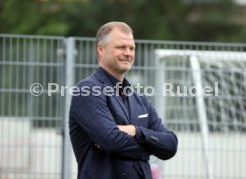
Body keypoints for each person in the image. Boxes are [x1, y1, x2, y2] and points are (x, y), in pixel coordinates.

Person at [69, 21, 178, 179]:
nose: (128, 53)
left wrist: (137, 132)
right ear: (101, 49)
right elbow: (112, 141)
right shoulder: (87, 90)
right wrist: (151, 147)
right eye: (121, 47)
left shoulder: (139, 99)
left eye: (131, 48)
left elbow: (171, 145)